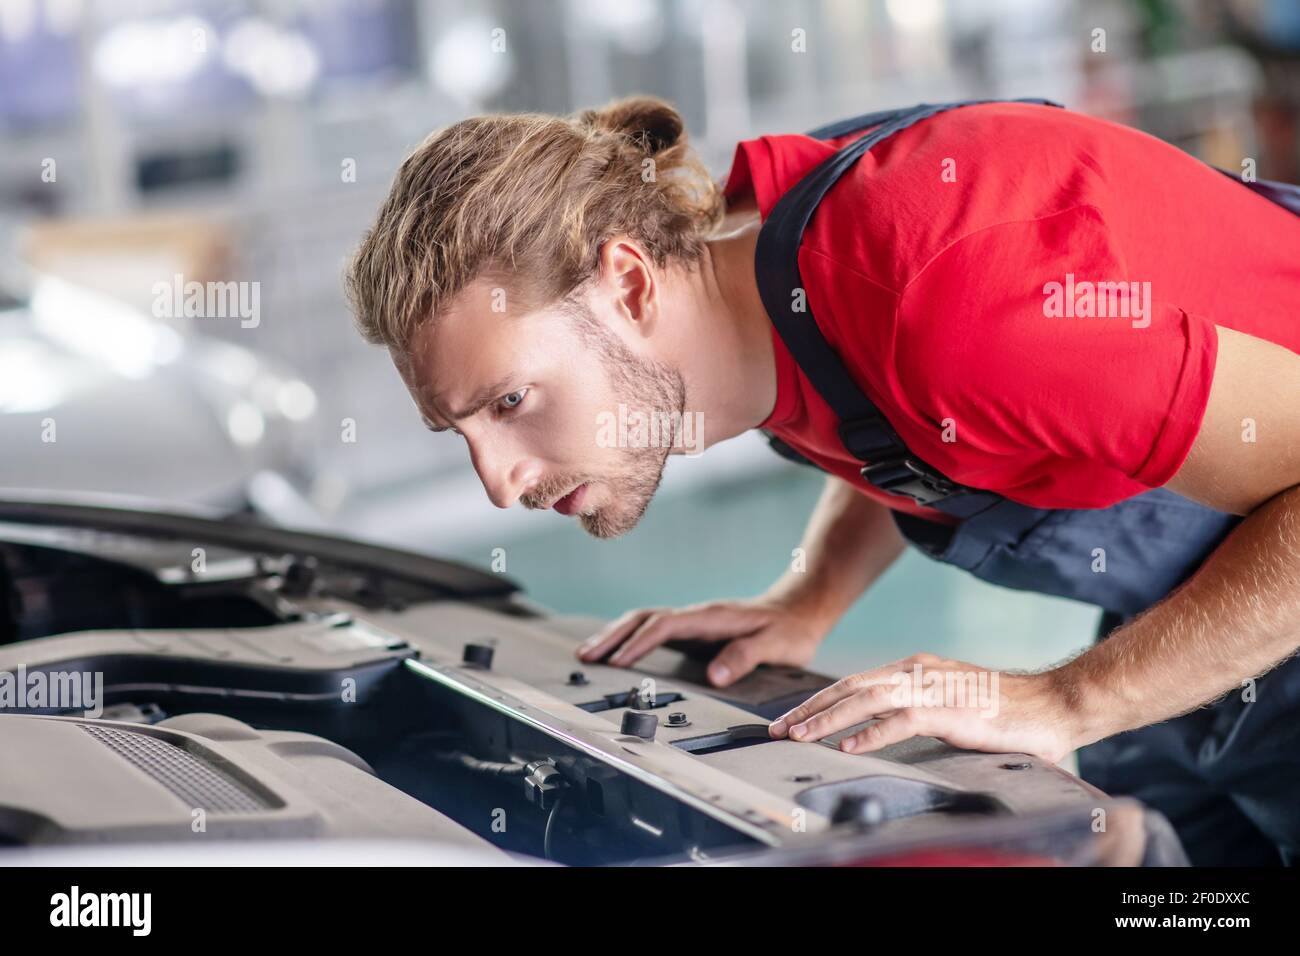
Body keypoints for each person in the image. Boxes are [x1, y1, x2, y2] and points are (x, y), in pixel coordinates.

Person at [346, 97, 1300, 865]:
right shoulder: (756, 294)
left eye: (509, 401)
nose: (498, 487)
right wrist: (812, 595)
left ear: (628, 285)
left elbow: (954, 357)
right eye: (458, 429)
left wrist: (1063, 703)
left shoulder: (959, 301)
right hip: (1201, 612)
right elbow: (899, 410)